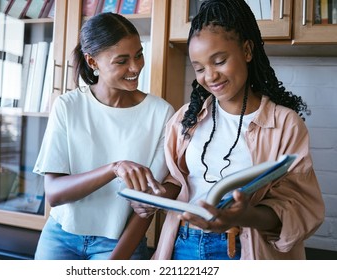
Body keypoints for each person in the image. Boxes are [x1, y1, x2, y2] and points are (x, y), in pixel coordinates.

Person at [150, 0, 325, 260]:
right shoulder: (186, 118)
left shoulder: (285, 124)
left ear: (246, 50)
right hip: (181, 245)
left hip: (242, 249)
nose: (210, 76)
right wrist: (152, 196)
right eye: (199, 68)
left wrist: (246, 215)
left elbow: (300, 208)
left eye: (219, 61)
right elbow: (179, 181)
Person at [33, 12, 174, 260]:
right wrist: (114, 168)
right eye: (122, 61)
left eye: (139, 55)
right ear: (92, 61)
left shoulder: (161, 113)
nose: (135, 67)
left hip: (119, 241)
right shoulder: (68, 106)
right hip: (59, 237)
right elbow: (54, 193)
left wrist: (115, 262)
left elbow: (146, 208)